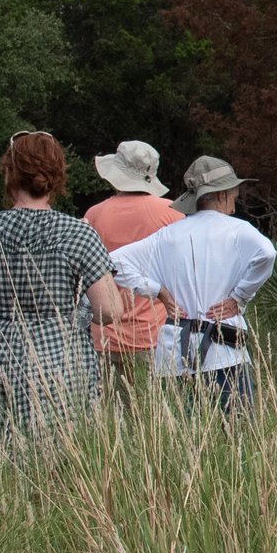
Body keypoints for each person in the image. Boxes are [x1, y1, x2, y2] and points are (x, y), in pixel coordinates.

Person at [0, 131, 129, 458]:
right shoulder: (77, 232)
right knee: (58, 469)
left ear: (9, 172)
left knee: (6, 465)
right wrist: (75, 314)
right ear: (56, 177)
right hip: (56, 364)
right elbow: (109, 309)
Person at [109, 156, 277, 412]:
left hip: (174, 356)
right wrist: (239, 297)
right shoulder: (237, 230)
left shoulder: (167, 236)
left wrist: (158, 292)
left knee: (185, 440)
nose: (235, 198)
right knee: (235, 438)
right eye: (233, 192)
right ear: (221, 194)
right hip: (225, 353)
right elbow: (267, 253)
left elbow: (112, 262)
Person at [81, 140, 185, 386]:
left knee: (109, 418)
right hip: (155, 334)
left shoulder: (94, 215)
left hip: (103, 335)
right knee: (154, 417)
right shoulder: (173, 215)